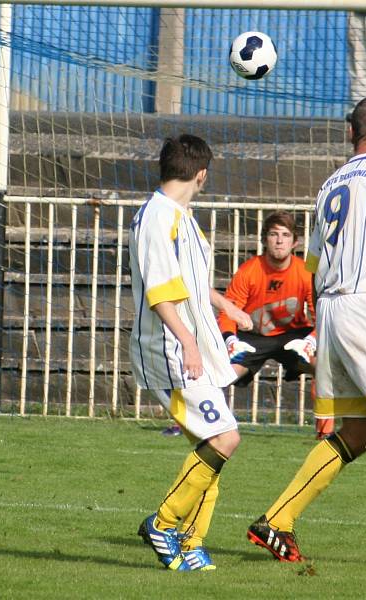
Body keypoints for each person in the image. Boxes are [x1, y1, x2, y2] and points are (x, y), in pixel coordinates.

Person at [246, 96, 366, 567]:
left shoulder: (330, 184)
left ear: (348, 132)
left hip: (332, 309)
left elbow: (310, 265)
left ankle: (277, 519)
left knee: (359, 433)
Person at [129, 134, 253, 571]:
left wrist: (225, 304)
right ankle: (163, 524)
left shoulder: (180, 216)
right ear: (201, 173)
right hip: (170, 350)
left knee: (210, 446)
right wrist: (188, 341)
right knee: (225, 438)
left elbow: (189, 282)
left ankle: (191, 544)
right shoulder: (157, 218)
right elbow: (161, 293)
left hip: (186, 346)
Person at [216, 210, 333, 439]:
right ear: (264, 240)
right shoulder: (248, 271)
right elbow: (228, 312)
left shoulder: (305, 272)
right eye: (273, 234)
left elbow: (322, 316)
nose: (279, 240)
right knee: (221, 374)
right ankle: (200, 426)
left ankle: (325, 434)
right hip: (254, 337)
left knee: (325, 368)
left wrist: (312, 339)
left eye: (285, 235)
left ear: (295, 242)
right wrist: (230, 339)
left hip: (293, 337)